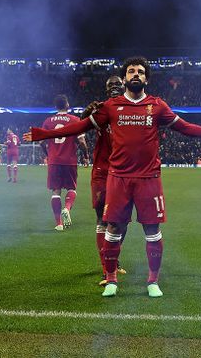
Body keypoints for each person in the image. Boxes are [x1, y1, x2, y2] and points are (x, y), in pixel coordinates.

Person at [25, 57, 201, 299]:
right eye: (131, 71)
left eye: (140, 72)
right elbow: (79, 127)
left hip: (149, 178)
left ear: (146, 79)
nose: (136, 74)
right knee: (113, 227)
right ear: (125, 78)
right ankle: (111, 279)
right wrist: (41, 134)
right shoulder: (111, 107)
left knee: (152, 229)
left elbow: (186, 128)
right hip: (118, 178)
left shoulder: (157, 106)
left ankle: (153, 281)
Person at [80, 76, 127, 284]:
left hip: (124, 172)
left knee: (122, 221)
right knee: (102, 219)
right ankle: (106, 268)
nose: (114, 87)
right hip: (102, 171)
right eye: (111, 85)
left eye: (118, 84)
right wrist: (86, 112)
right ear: (106, 90)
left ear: (124, 87)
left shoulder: (132, 110)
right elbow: (81, 126)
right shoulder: (101, 109)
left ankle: (113, 260)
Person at [40, 95, 89, 231]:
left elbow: (41, 142)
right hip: (69, 161)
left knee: (56, 191)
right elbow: (82, 142)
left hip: (54, 161)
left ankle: (59, 224)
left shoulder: (48, 121)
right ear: (67, 105)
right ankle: (67, 208)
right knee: (71, 189)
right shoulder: (75, 120)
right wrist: (85, 156)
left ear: (56, 106)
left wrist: (48, 155)